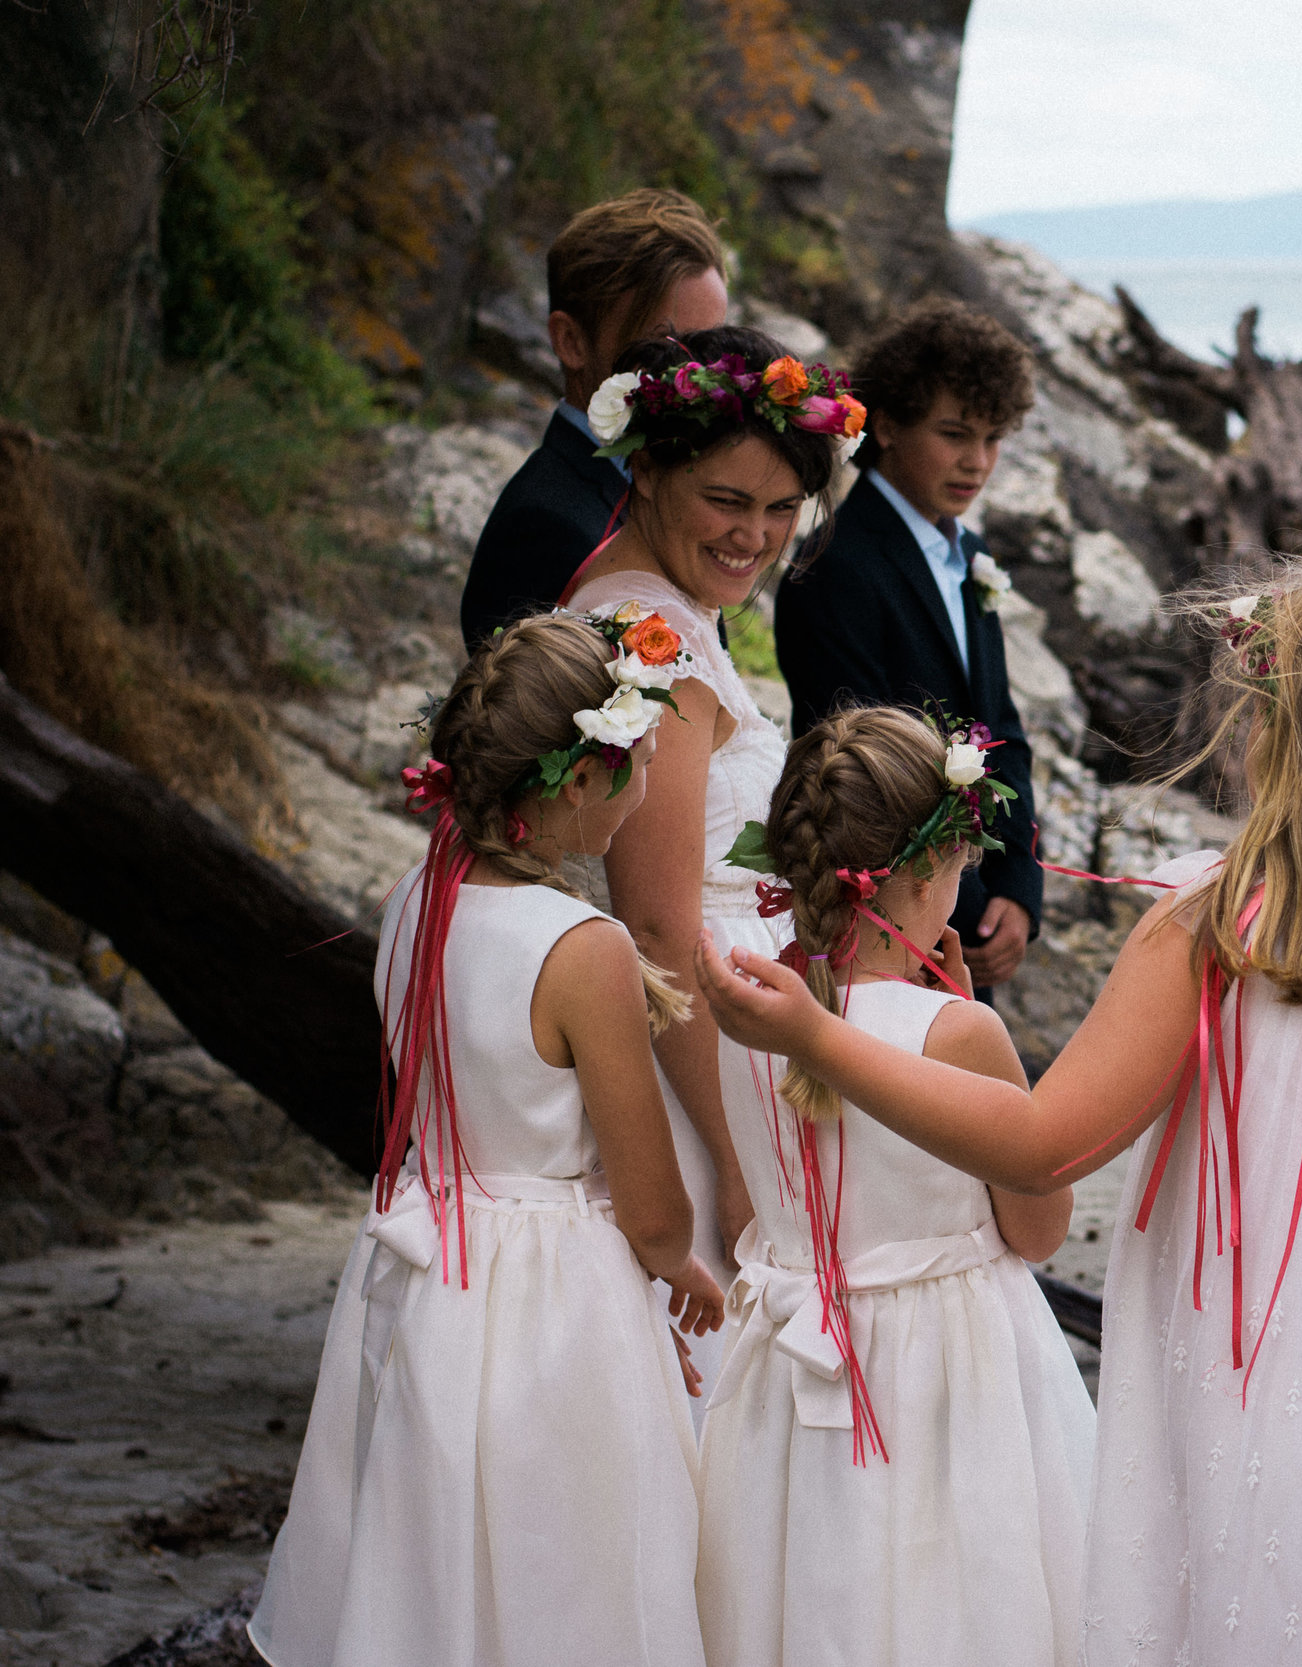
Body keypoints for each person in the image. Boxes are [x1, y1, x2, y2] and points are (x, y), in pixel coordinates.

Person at [698, 563, 1302, 1664]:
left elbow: (1047, 1142)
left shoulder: (1212, 920)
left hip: (1246, 1397)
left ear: (1281, 723)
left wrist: (820, 1036)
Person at [250, 613, 725, 1667]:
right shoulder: (582, 947)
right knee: (566, 1556)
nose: (646, 779)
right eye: (638, 759)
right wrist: (682, 1263)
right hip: (550, 1302)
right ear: (573, 781)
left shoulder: (413, 900)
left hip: (431, 1280)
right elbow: (649, 1201)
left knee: (438, 1548)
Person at [693, 706, 1094, 1666]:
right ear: (921, 871)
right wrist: (959, 1018)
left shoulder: (745, 1023)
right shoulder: (960, 1033)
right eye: (960, 866)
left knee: (801, 1589)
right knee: (950, 1600)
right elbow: (1038, 1228)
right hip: (950, 1376)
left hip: (789, 1371)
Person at [565, 323, 850, 1411]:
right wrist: (734, 1163)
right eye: (728, 500)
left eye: (782, 510)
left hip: (734, 1030)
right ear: (646, 468)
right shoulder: (652, 639)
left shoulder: (652, 599)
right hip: (702, 1062)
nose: (758, 535)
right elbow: (657, 931)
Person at [774, 297, 1042, 997]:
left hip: (963, 913)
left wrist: (1018, 886)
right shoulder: (833, 567)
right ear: (886, 423)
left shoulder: (969, 553)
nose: (976, 461)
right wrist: (969, 911)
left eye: (992, 438)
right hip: (889, 920)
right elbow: (865, 771)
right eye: (954, 433)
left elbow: (1001, 729)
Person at [461, 188, 730, 652]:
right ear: (571, 342)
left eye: (710, 346)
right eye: (663, 345)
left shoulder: (666, 484)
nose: (697, 377)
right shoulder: (546, 524)